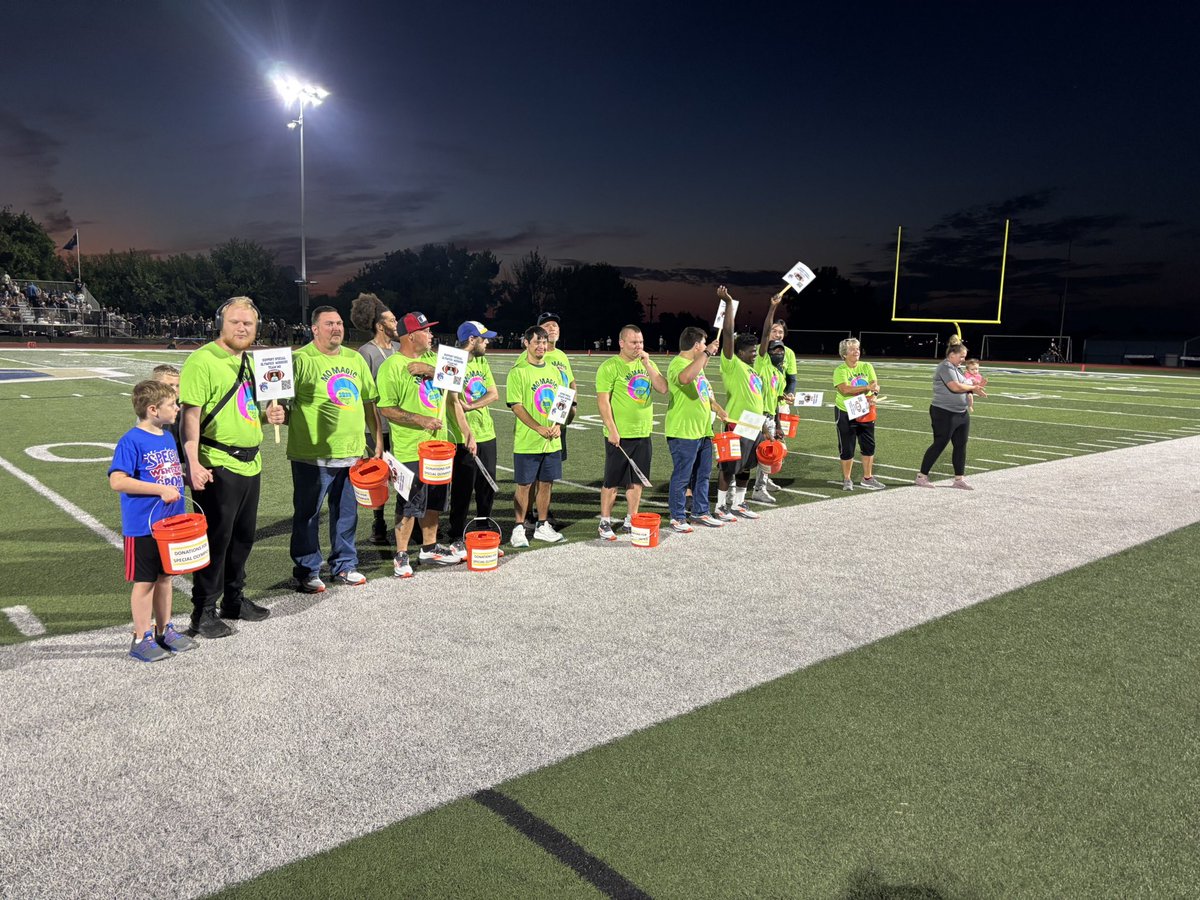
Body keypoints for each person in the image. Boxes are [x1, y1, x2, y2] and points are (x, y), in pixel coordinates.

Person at [180, 296, 286, 638]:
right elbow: (190, 418)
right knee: (216, 541)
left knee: (242, 539)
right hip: (218, 464)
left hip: (250, 463)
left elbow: (244, 408)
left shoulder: (249, 362)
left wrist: (268, 415)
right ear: (219, 324)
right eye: (235, 322)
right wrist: (192, 462)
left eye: (248, 323)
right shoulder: (202, 360)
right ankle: (203, 611)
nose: (242, 328)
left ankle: (234, 600)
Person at [284, 306, 381, 593]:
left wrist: (377, 440)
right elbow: (280, 403)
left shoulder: (355, 358)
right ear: (314, 329)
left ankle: (345, 564)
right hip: (311, 455)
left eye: (339, 323)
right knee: (308, 515)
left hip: (352, 453)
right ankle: (307, 569)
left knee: (347, 514)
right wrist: (278, 413)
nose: (336, 328)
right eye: (329, 324)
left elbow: (368, 402)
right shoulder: (300, 359)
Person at [376, 311, 475, 577]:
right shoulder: (392, 366)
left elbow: (458, 386)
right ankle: (401, 554)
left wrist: (430, 370)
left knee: (434, 500)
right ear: (410, 336)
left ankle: (429, 548)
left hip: (439, 447)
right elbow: (386, 408)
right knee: (409, 503)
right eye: (426, 330)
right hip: (411, 448)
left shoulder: (433, 359)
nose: (431, 334)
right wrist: (420, 419)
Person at [108, 380, 198, 661]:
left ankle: (164, 629)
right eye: (172, 404)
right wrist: (160, 489)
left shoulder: (167, 436)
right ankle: (141, 637)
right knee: (145, 582)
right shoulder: (131, 440)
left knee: (166, 578)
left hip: (169, 526)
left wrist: (186, 477)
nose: (177, 408)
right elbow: (117, 481)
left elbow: (164, 472)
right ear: (152, 410)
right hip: (143, 527)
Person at [595, 324, 668, 540]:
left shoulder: (647, 363)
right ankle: (605, 521)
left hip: (643, 432)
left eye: (641, 342)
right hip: (619, 434)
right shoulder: (609, 366)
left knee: (637, 480)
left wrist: (647, 364)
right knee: (612, 481)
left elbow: (663, 388)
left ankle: (631, 518)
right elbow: (603, 402)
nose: (638, 346)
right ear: (621, 343)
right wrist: (612, 429)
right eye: (634, 342)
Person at [716, 286, 781, 520]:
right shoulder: (732, 365)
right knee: (729, 466)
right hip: (737, 422)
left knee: (747, 466)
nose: (755, 353)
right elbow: (727, 333)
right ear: (740, 352)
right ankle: (720, 506)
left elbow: (765, 336)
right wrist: (728, 304)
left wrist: (772, 308)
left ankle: (739, 504)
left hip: (754, 423)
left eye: (755, 351)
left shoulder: (754, 370)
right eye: (751, 351)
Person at [505, 325, 567, 547]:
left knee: (546, 483)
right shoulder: (518, 371)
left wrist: (558, 424)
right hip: (528, 440)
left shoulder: (554, 371)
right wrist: (538, 427)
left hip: (551, 440)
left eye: (544, 342)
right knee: (524, 485)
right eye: (537, 342)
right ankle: (519, 527)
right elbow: (516, 406)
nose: (541, 346)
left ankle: (542, 525)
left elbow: (562, 400)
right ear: (526, 343)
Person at [665, 326, 731, 532]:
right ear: (696, 346)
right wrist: (707, 353)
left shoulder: (697, 364)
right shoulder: (678, 363)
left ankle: (700, 512)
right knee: (682, 476)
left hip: (702, 430)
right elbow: (685, 379)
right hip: (684, 431)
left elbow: (703, 393)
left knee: (703, 475)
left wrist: (718, 408)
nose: (705, 346)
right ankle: (677, 517)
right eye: (703, 343)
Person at [513, 311, 575, 531]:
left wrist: (572, 406)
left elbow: (570, 383)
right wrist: (538, 425)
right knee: (529, 477)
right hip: (535, 425)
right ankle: (527, 515)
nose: (552, 329)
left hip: (556, 421)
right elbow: (519, 398)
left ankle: (543, 514)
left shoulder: (561, 356)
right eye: (547, 326)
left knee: (548, 475)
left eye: (555, 326)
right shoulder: (527, 358)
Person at [447, 320, 501, 557]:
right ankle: (456, 536)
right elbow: (452, 401)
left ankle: (483, 529)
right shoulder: (452, 361)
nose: (487, 342)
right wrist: (467, 432)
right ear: (471, 339)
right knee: (462, 489)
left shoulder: (481, 361)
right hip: (462, 436)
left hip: (486, 432)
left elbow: (493, 394)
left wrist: (471, 406)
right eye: (483, 338)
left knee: (486, 486)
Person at [351, 292, 401, 545]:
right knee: (379, 476)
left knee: (403, 475)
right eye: (392, 320)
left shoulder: (400, 349)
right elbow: (365, 396)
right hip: (377, 425)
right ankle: (378, 523)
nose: (396, 323)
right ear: (380, 326)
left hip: (401, 425)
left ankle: (406, 521)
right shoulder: (366, 352)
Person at [916, 338, 987, 490]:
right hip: (944, 412)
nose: (963, 360)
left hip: (961, 412)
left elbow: (964, 385)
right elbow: (954, 387)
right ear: (952, 354)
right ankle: (921, 476)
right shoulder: (945, 367)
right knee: (940, 443)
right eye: (961, 356)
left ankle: (959, 479)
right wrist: (972, 388)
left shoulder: (956, 368)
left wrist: (975, 388)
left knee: (961, 445)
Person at [833, 338, 886, 491]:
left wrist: (874, 395)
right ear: (844, 354)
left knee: (868, 445)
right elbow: (845, 389)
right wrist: (867, 388)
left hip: (865, 409)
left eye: (857, 348)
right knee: (847, 446)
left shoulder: (867, 366)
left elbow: (875, 385)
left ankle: (867, 478)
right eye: (852, 349)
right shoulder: (840, 370)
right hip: (845, 410)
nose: (857, 351)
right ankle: (847, 479)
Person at [152, 364, 185, 483]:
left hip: (178, 458)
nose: (175, 389)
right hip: (163, 459)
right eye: (170, 385)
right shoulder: (154, 409)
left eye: (177, 385)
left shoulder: (180, 404)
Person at [767, 317, 798, 403]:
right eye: (774, 331)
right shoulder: (757, 351)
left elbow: (792, 380)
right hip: (760, 400)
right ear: (767, 332)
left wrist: (790, 393)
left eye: (780, 332)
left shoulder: (789, 353)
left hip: (780, 401)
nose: (777, 335)